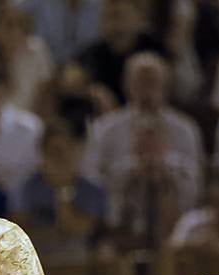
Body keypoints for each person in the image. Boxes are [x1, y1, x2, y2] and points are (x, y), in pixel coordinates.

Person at [80, 52, 203, 246]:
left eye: (153, 82)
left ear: (166, 85)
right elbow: (91, 178)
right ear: (127, 85)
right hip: (119, 226)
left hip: (173, 224)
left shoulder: (185, 129)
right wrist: (132, 169)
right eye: (140, 82)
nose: (147, 90)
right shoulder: (104, 129)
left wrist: (165, 168)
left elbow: (196, 181)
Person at [11, 119, 105, 261]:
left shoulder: (91, 189)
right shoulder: (26, 187)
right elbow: (21, 233)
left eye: (64, 152)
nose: (60, 159)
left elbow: (79, 230)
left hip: (79, 262)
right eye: (53, 153)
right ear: (42, 154)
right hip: (36, 259)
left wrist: (63, 190)